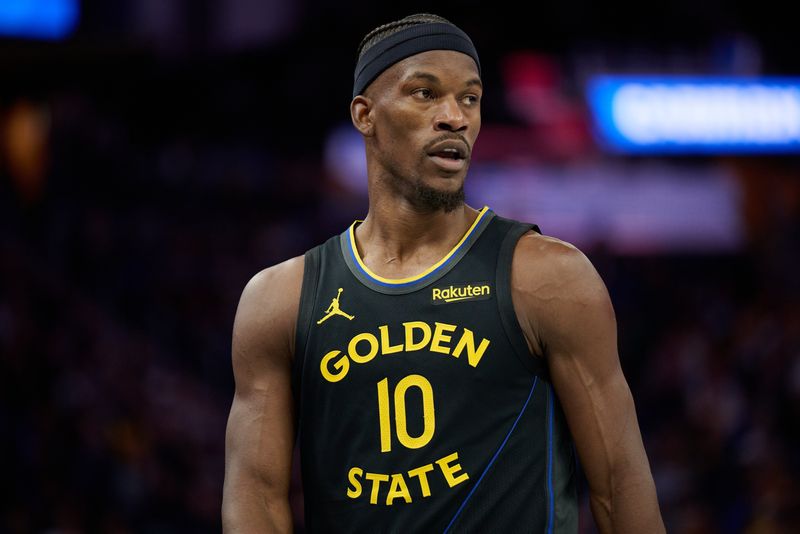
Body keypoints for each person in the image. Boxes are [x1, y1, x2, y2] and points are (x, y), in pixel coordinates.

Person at [222, 13, 665, 533]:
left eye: (470, 98)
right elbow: (255, 498)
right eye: (425, 94)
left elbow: (619, 487)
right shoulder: (282, 298)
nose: (455, 117)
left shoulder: (547, 277)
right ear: (365, 115)